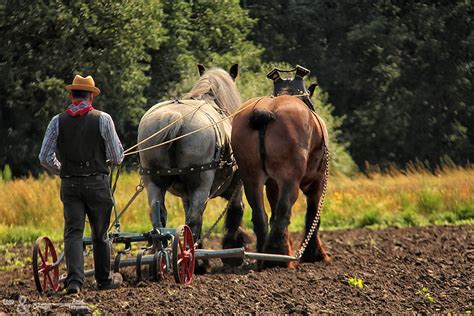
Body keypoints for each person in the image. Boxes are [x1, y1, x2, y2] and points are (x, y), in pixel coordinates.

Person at [39, 75, 124, 294]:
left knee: (73, 232)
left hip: (70, 185)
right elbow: (116, 157)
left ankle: (75, 282)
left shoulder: (57, 121)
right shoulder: (103, 119)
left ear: (71, 95)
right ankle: (104, 280)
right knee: (100, 233)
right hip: (97, 183)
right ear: (91, 96)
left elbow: (44, 157)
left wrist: (62, 169)